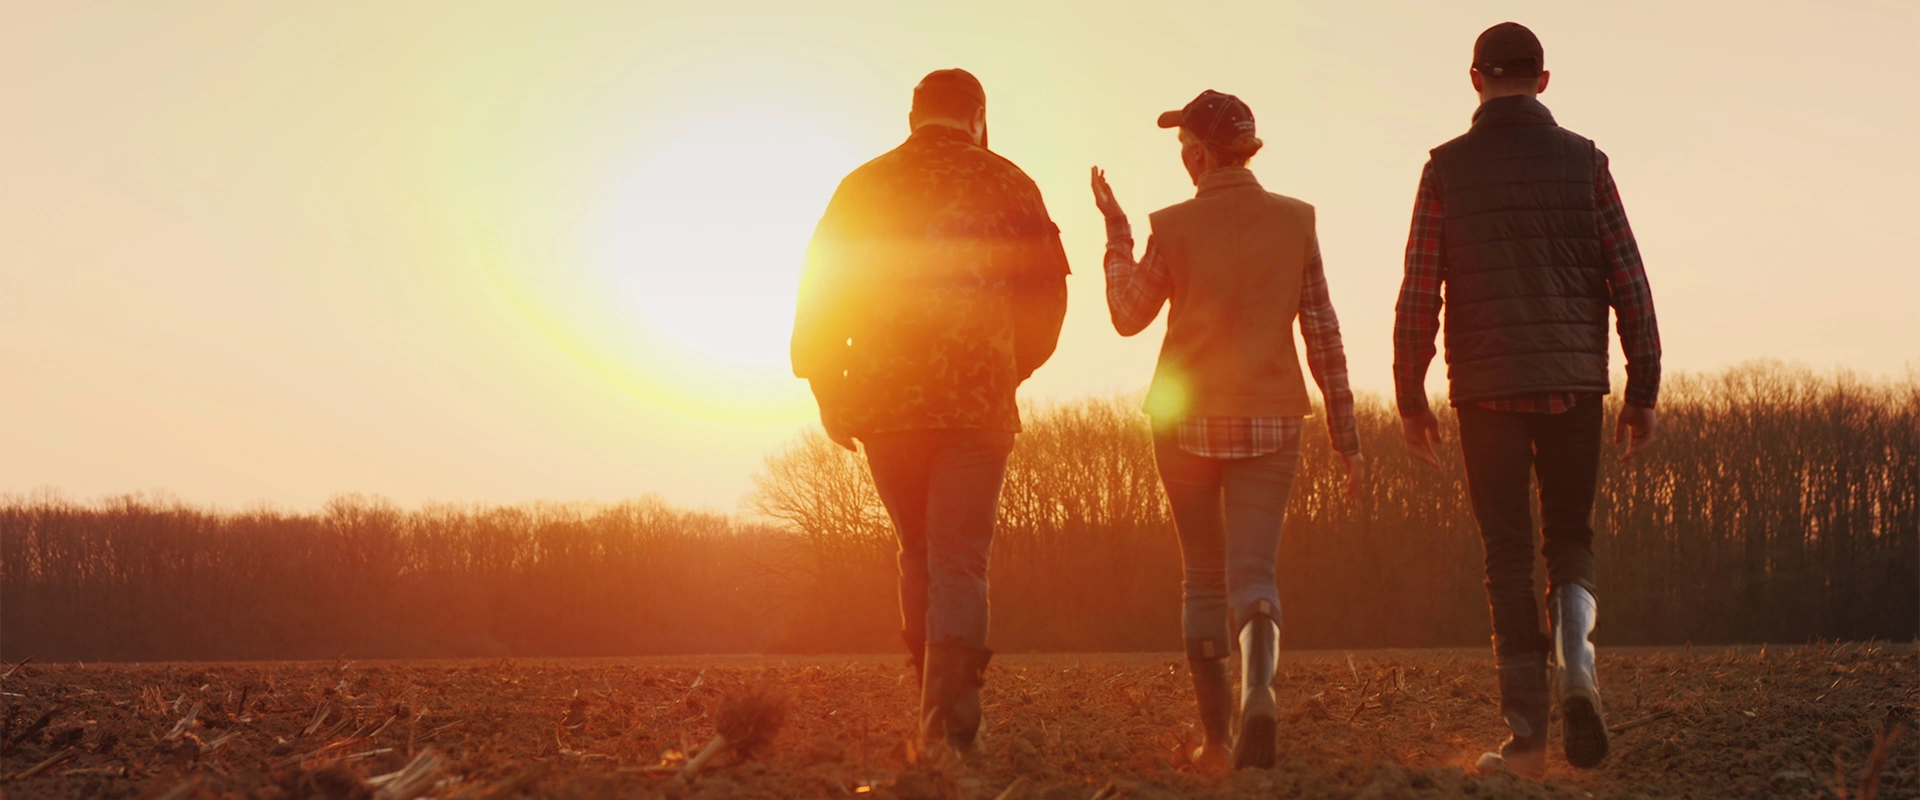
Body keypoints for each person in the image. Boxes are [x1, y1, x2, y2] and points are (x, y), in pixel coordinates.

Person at [1393, 22, 1662, 778]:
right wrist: (1642, 388)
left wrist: (1410, 395)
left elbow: (1420, 289)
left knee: (1507, 556)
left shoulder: (1445, 169)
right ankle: (1579, 664)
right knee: (1570, 538)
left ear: (1474, 79)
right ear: (1544, 80)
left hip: (1485, 391)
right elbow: (1630, 282)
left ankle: (1528, 740)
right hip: (1575, 383)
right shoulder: (1587, 163)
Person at [790, 68, 1070, 756]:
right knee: (961, 562)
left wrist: (827, 384)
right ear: (977, 116)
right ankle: (954, 712)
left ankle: (927, 704)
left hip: (886, 406)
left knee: (916, 550)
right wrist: (1012, 367)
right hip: (976, 405)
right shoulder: (1010, 182)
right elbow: (1049, 298)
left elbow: (820, 294)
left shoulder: (862, 187)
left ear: (913, 116)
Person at [1092, 90, 1365, 770]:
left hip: (1183, 421)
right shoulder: (1296, 222)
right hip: (1272, 416)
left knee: (1203, 580)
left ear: (1202, 154)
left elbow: (1128, 315)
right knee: (1254, 575)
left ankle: (1215, 742)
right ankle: (1261, 690)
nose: (1182, 156)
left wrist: (1117, 236)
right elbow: (1323, 331)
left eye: (1184, 144)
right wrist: (1345, 433)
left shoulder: (1172, 226)